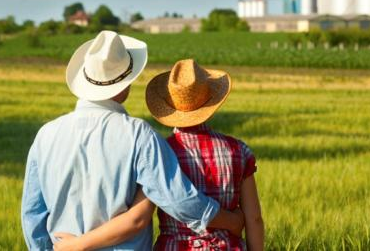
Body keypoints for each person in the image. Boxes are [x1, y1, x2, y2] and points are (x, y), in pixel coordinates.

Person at [21, 31, 243, 250]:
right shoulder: (138, 134)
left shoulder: (45, 135)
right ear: (126, 83)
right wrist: (231, 221)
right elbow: (178, 200)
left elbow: (32, 214)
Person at [54, 59, 264, 250]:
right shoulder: (239, 151)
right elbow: (254, 219)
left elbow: (142, 213)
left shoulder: (158, 150)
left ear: (170, 106)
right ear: (210, 103)